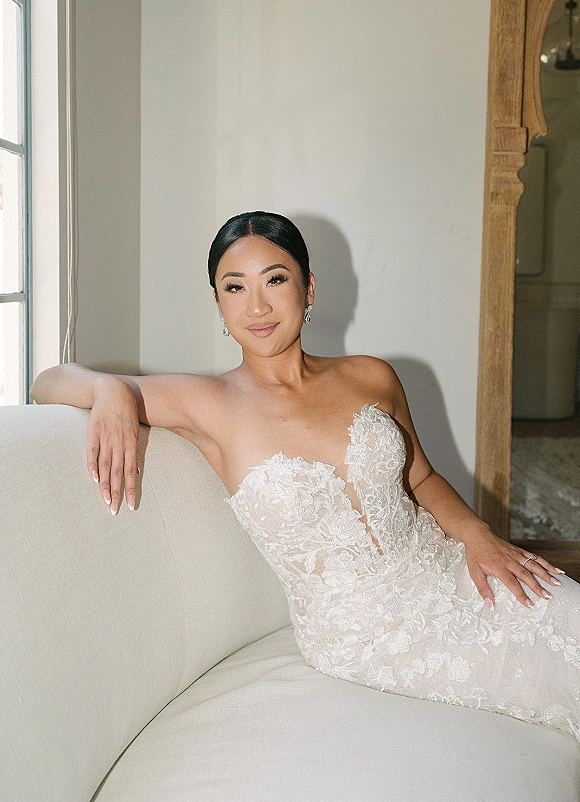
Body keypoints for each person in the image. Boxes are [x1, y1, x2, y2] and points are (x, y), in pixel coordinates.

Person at [31, 211, 580, 742]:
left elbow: (421, 478)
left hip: (447, 565)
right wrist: (109, 388)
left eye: (275, 279)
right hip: (368, 634)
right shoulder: (208, 402)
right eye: (235, 287)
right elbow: (47, 383)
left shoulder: (372, 375)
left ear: (309, 287)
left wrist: (479, 537)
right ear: (218, 303)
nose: (257, 306)